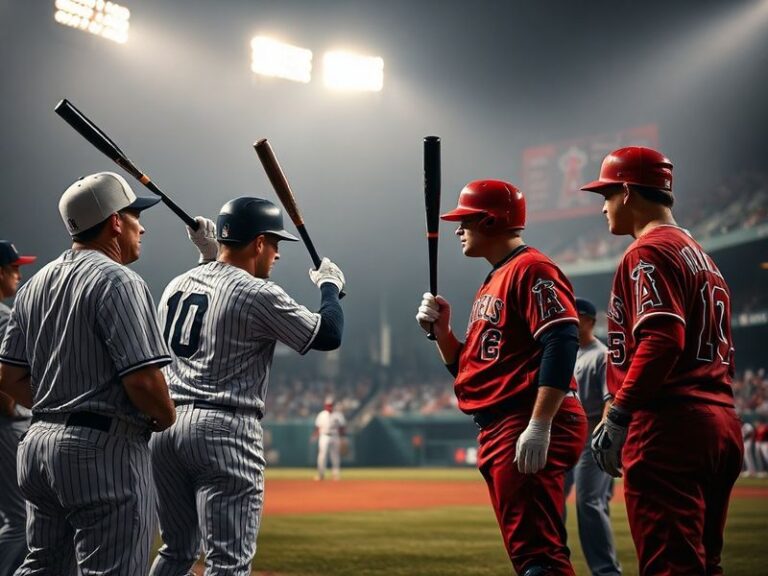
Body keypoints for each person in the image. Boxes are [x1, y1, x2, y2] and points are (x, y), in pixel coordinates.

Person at [149, 197, 345, 576]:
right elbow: (328, 334)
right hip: (223, 429)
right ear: (257, 243)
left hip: (167, 424)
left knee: (176, 551)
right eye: (274, 244)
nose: (276, 254)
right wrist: (329, 287)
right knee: (229, 563)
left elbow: (211, 296)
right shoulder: (259, 292)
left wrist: (207, 258)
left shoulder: (177, 283)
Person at [0, 172, 177, 574]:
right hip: (102, 451)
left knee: (44, 565)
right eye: (134, 216)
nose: (141, 226)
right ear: (115, 221)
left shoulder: (35, 284)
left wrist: (58, 405)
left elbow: (8, 379)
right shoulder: (120, 280)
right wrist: (165, 416)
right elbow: (144, 381)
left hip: (38, 445)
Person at [582, 147, 743, 575]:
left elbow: (662, 340)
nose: (603, 206)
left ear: (630, 192)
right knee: (704, 564)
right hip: (720, 421)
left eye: (608, 194)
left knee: (671, 567)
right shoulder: (704, 258)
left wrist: (618, 412)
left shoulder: (648, 251)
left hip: (670, 428)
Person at [416, 179, 587, 576]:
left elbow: (562, 340)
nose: (458, 229)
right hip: (505, 422)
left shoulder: (532, 268)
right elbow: (472, 372)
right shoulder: (495, 278)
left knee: (538, 558)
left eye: (465, 220)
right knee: (532, 553)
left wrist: (540, 423)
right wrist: (443, 335)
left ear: (491, 221)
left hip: (526, 416)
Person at [562, 297, 621, 576]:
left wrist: (605, 436)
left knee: (589, 503)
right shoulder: (567, 353)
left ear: (588, 320)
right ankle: (554, 564)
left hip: (591, 433)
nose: (570, 320)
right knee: (550, 499)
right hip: (564, 435)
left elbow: (611, 399)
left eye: (575, 315)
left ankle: (606, 572)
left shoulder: (602, 354)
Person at [0, 240, 36, 576]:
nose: (19, 275)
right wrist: (11, 408)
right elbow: (3, 377)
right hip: (5, 427)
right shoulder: (3, 315)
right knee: (21, 521)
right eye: (14, 268)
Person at [312, 397, 347, 481]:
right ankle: (321, 474)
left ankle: (336, 475)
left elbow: (342, 428)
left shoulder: (338, 415)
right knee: (322, 455)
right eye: (328, 405)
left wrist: (342, 438)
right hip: (324, 435)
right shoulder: (322, 414)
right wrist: (315, 435)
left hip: (335, 436)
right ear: (325, 406)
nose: (329, 407)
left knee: (335, 456)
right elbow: (317, 427)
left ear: (333, 405)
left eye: (330, 405)